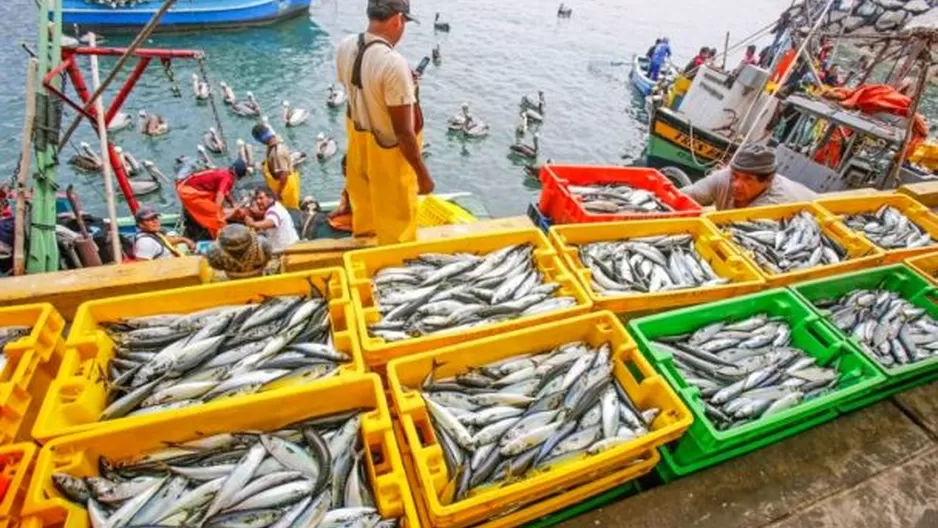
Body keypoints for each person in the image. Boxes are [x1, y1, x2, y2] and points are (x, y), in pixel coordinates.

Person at [336, 0, 435, 245]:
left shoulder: (346, 45)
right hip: (389, 162)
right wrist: (423, 176)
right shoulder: (393, 63)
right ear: (397, 19)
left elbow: (354, 92)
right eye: (404, 24)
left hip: (360, 151)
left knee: (366, 219)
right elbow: (404, 133)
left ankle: (365, 257)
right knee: (397, 231)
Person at [681, 143, 815, 210]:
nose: (736, 184)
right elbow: (687, 195)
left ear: (768, 181)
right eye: (735, 176)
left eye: (748, 179)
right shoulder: (724, 178)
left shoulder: (775, 205)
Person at [176, 160, 249, 240]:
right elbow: (220, 196)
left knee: (215, 215)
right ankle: (222, 240)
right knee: (216, 219)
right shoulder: (228, 178)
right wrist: (218, 214)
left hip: (187, 186)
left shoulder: (225, 172)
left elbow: (226, 192)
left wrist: (233, 204)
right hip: (188, 192)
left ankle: (213, 230)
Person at [252, 123, 301, 209]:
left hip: (285, 188)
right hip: (282, 184)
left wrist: (278, 193)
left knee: (290, 210)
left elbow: (284, 174)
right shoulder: (274, 143)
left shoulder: (276, 152)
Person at [244, 187, 299, 252]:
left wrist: (253, 224)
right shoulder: (277, 205)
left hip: (284, 250)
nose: (258, 201)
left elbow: (272, 222)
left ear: (271, 198)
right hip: (292, 245)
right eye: (256, 199)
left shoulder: (273, 211)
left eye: (261, 198)